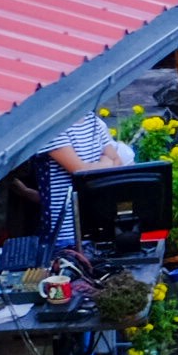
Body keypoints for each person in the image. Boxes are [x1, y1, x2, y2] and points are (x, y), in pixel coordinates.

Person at [39, 108, 120, 251]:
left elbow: (117, 161)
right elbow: (79, 171)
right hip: (66, 228)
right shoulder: (53, 127)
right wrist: (106, 163)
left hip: (98, 220)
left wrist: (100, 165)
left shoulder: (93, 120)